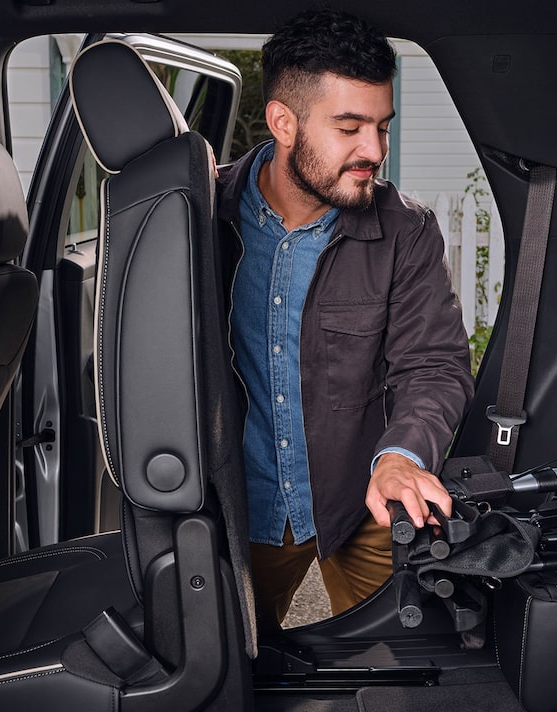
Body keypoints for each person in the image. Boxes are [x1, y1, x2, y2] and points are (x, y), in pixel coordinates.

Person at [218, 8, 476, 628]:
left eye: (382, 127)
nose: (375, 151)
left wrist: (403, 458)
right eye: (350, 127)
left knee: (385, 667)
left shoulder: (406, 231)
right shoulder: (198, 219)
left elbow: (434, 366)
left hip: (362, 507)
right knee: (230, 672)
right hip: (233, 513)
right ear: (283, 122)